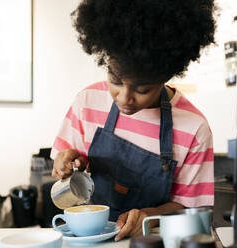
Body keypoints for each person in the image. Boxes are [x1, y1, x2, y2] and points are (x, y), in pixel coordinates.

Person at [51, 0, 216, 241]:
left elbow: (192, 209)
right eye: (115, 80)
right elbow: (65, 164)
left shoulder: (194, 128)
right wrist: (66, 161)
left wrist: (150, 216)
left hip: (151, 242)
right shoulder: (87, 102)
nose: (124, 98)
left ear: (166, 75)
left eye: (142, 88)